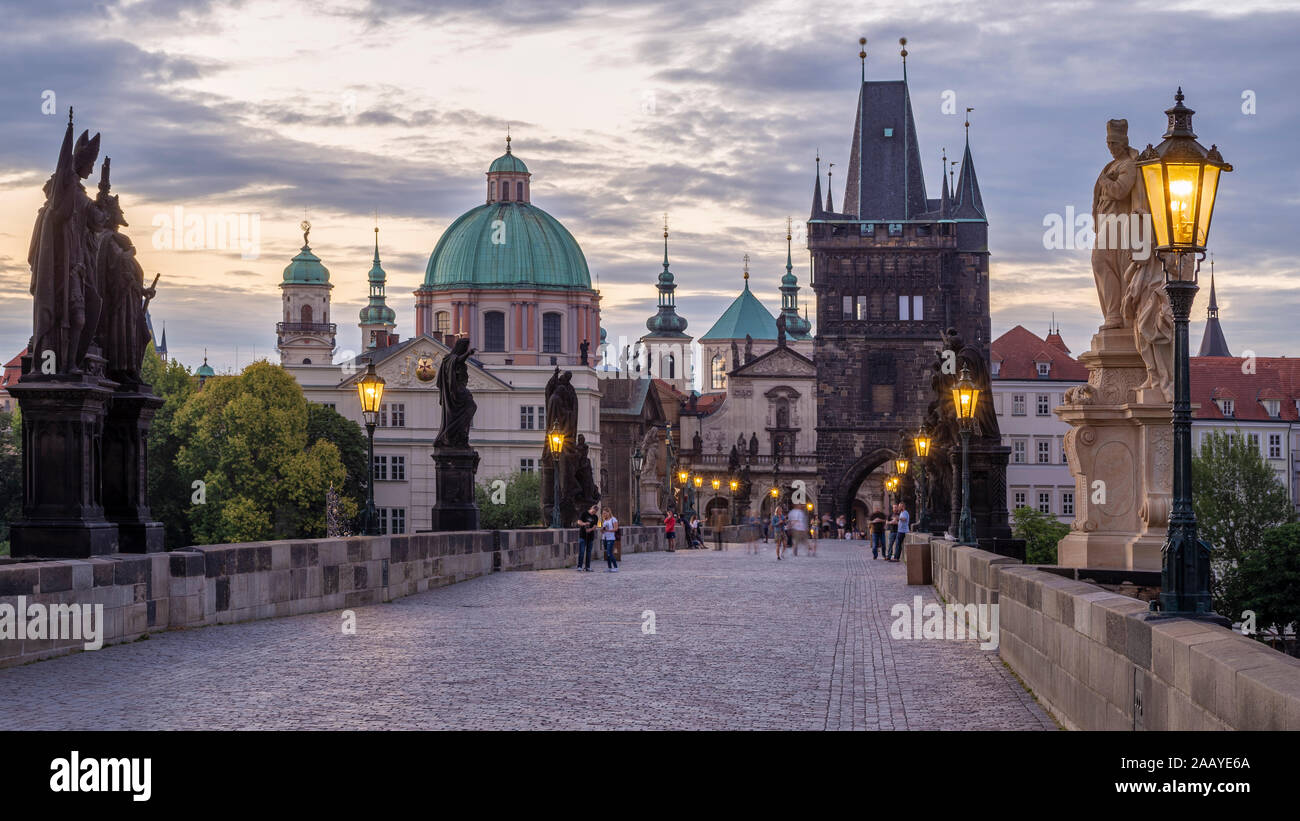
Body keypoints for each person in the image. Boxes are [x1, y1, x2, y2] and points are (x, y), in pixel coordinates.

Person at [575, 503, 599, 572]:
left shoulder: (595, 517)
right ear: (591, 508)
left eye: (595, 512)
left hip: (590, 536)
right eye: (593, 511)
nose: (593, 513)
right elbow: (579, 522)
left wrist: (590, 530)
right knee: (582, 551)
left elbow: (595, 526)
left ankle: (587, 567)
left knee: (589, 552)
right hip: (583, 535)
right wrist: (584, 524)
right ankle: (579, 566)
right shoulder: (584, 513)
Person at [601, 507, 619, 572]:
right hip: (604, 538)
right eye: (603, 513)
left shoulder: (613, 519)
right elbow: (603, 531)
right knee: (607, 554)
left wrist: (608, 530)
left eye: (605, 513)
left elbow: (616, 529)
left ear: (609, 512)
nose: (604, 514)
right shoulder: (604, 520)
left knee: (609, 553)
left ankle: (616, 567)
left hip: (611, 538)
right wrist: (602, 530)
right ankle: (609, 568)